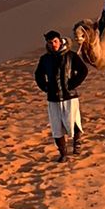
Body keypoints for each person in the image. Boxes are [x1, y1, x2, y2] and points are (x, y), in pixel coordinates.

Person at [34, 29, 86, 161]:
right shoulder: (45, 59)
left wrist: (72, 84)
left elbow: (83, 70)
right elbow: (38, 75)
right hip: (53, 98)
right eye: (50, 43)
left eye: (55, 41)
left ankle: (77, 142)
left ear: (60, 40)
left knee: (72, 121)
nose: (53, 45)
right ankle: (63, 154)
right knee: (56, 127)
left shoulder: (71, 55)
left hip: (70, 96)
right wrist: (45, 87)